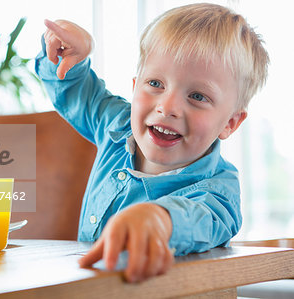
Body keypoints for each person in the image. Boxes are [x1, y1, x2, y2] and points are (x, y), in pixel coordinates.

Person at [36, 3, 269, 283]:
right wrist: (68, 55)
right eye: (156, 83)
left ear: (230, 122)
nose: (167, 107)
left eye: (197, 96)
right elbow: (75, 92)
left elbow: (203, 218)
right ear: (135, 87)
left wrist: (160, 218)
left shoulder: (219, 189)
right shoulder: (118, 125)